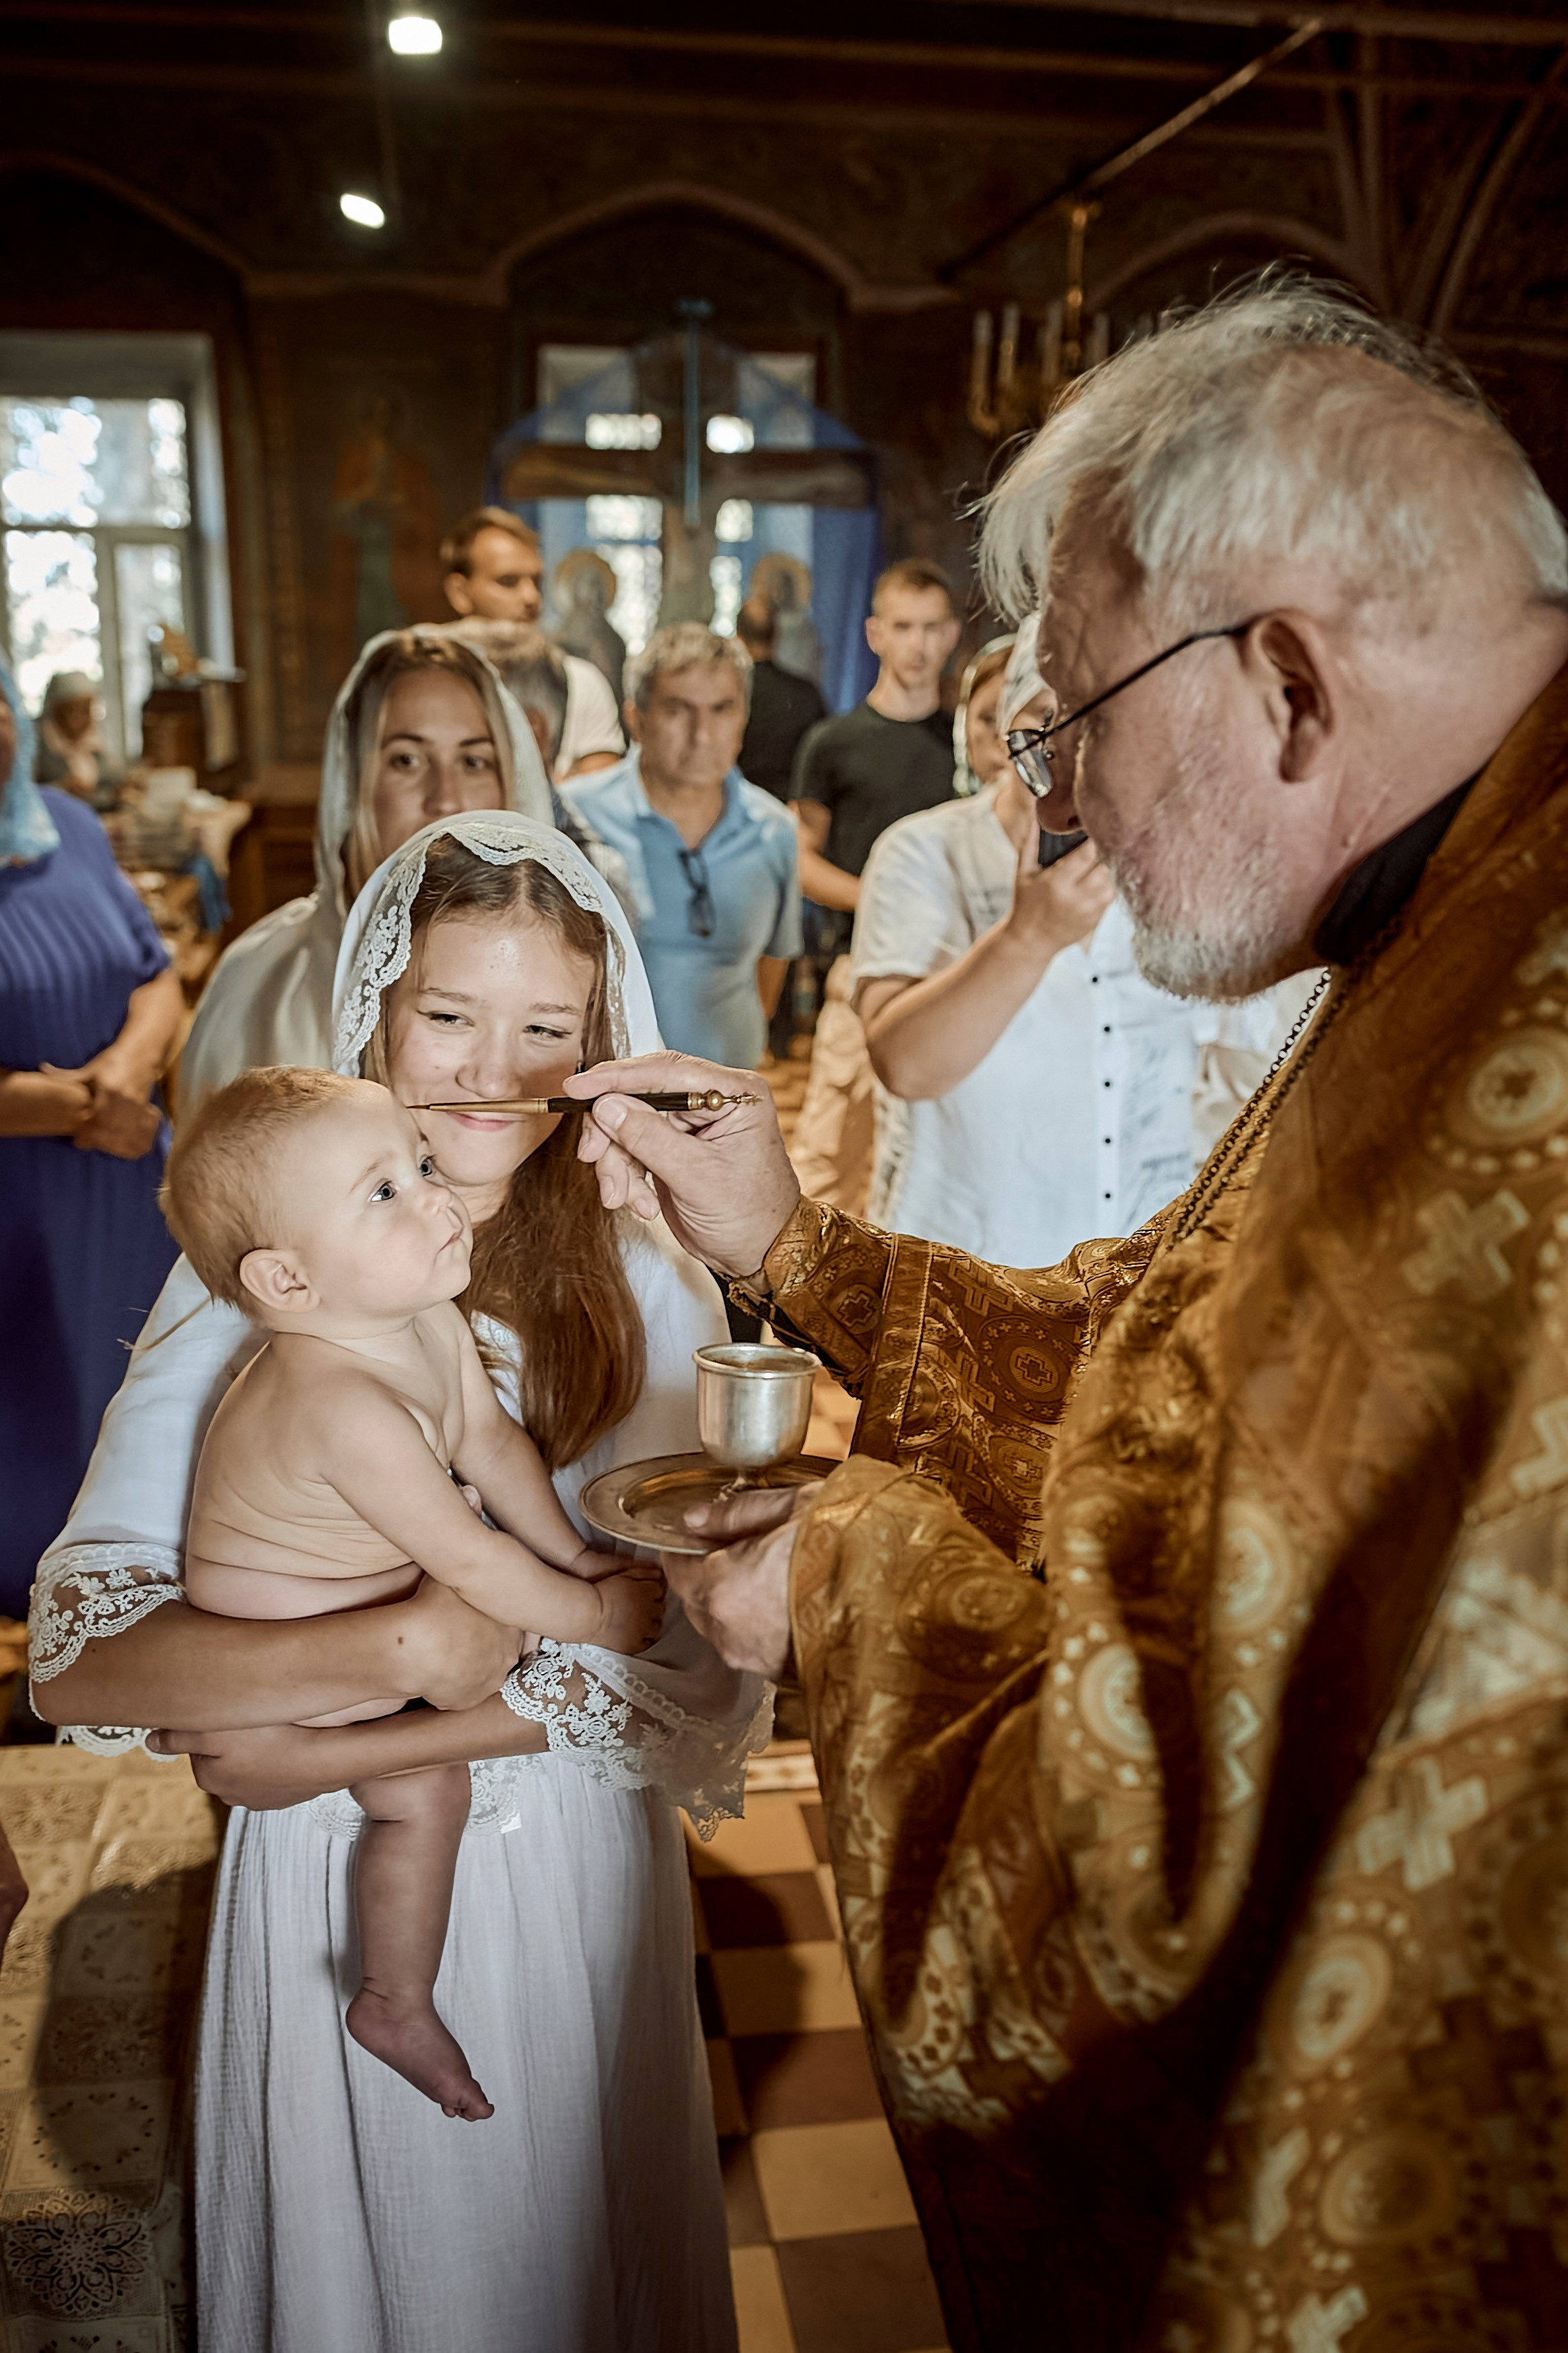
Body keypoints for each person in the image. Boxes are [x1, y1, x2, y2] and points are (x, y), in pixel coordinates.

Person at [562, 281, 1568, 2352]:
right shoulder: (1458, 915)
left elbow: (1190, 1896)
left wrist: (824, 1572)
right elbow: (1176, 1396)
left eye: (1073, 714)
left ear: (1277, 679)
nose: (1061, 794)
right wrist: (807, 1250)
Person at [31, 810, 766, 2352]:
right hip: (332, 1871)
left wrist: (490, 1653)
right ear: (376, 1014)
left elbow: (688, 1656)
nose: (492, 1072)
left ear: (598, 1043)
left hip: (574, 1874)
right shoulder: (265, 1265)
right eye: (447, 1017)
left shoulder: (642, 1275)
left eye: (544, 1029)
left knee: (563, 2264)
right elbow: (84, 1664)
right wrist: (410, 1644)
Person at [168, 1066, 665, 2122]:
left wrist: (574, 1560)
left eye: (421, 1165)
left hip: (361, 1626)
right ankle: (391, 1987)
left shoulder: (424, 1318)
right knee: (428, 1780)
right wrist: (593, 1616)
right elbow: (470, 1556)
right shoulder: (334, 1396)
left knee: (437, 1772)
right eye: (384, 1192)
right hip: (293, 1661)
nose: (436, 1196)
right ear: (290, 1281)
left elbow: (491, 1445)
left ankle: (390, 1986)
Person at [856, 635, 1297, 1261]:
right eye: (1047, 720)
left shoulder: (1180, 870)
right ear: (1010, 724)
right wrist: (1027, 938)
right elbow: (906, 1065)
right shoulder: (926, 851)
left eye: (1100, 722)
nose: (1073, 751)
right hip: (962, 1261)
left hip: (1131, 1269)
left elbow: (1247, 1074)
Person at [177, 627, 555, 1109]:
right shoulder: (261, 985)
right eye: (407, 759)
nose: (446, 799)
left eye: (474, 760)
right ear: (354, 785)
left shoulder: (564, 979)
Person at [0, 656, 184, 1616]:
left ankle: (118, 1610)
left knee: (122, 1392)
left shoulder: (64, 823)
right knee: (23, 1420)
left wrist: (123, 1074)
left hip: (117, 1186)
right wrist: (81, 1111)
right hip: (17, 1200)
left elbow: (154, 972)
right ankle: (32, 1639)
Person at [788, 559, 961, 1209]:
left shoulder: (966, 744)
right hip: (858, 967)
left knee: (933, 1166)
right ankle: (800, 1309)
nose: (917, 644)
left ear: (949, 635)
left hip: (951, 965)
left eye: (930, 628)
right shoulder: (832, 742)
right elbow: (800, 860)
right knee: (827, 1163)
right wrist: (883, 899)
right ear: (874, 633)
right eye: (903, 626)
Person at [564, 623, 801, 1071]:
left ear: (743, 718)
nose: (702, 734)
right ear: (636, 718)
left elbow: (772, 963)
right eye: (678, 710)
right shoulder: (577, 814)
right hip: (600, 1091)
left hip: (723, 1095)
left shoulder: (774, 829)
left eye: (721, 710)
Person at [440, 508, 625, 779]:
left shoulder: (581, 681)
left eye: (536, 582)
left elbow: (596, 799)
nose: (531, 598)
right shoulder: (423, 681)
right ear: (460, 593)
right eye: (508, 582)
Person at [735, 595, 827, 802]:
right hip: (790, 813)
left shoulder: (725, 694)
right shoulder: (806, 694)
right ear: (776, 635)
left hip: (733, 810)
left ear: (738, 637)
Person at [553, 547, 629, 708]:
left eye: (600, 585)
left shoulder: (613, 640)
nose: (597, 592)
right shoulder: (561, 636)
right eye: (591, 584)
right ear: (574, 587)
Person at [33, 668, 119, 806]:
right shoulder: (36, 746)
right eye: (77, 710)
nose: (86, 718)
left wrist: (119, 790)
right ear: (57, 712)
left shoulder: (92, 743)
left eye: (88, 709)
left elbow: (110, 778)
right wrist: (60, 790)